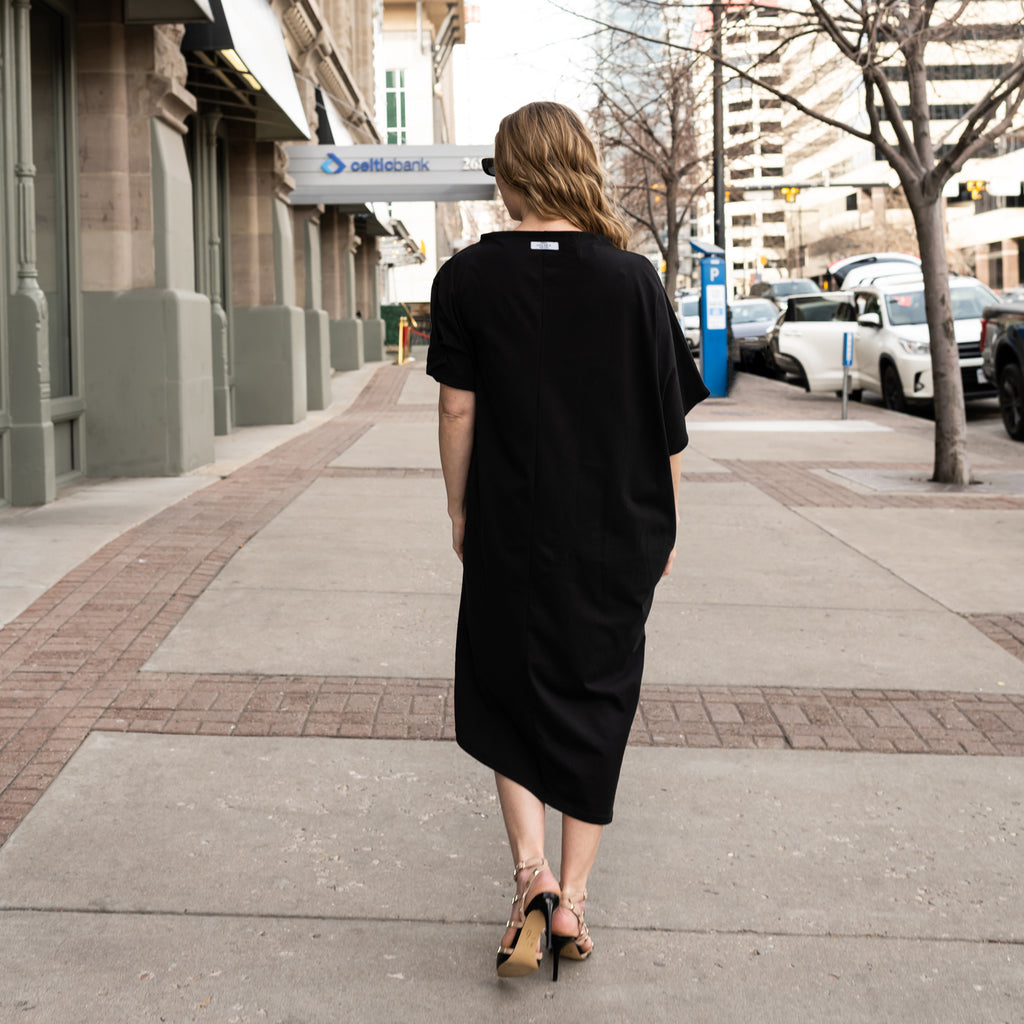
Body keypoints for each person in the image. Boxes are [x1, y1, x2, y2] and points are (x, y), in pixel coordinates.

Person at [427, 101, 708, 981]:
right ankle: (576, 900)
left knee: (506, 688)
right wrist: (666, 525)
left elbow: (456, 406)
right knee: (598, 693)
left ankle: (530, 879)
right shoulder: (634, 282)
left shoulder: (467, 279)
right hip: (617, 526)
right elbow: (664, 425)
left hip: (514, 522)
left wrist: (460, 509)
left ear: (508, 175)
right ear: (579, 164)